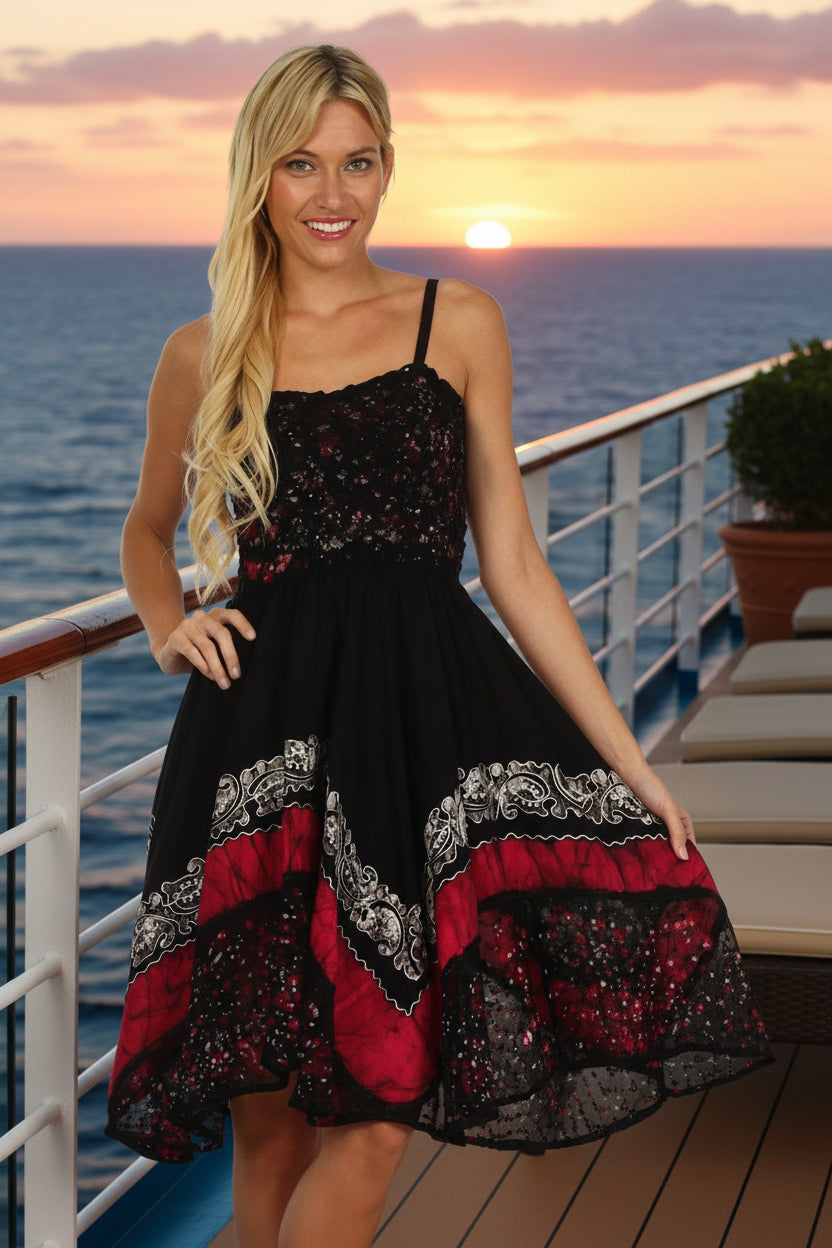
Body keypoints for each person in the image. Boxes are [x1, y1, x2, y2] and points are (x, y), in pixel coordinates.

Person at [106, 43, 772, 1248]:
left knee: (376, 1111)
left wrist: (629, 762)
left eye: (358, 163)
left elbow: (513, 565)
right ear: (257, 173)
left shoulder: (455, 319)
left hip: (414, 739)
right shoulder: (204, 352)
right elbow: (146, 532)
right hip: (255, 744)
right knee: (268, 1121)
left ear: (388, 168)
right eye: (302, 164)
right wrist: (168, 623)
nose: (333, 194)